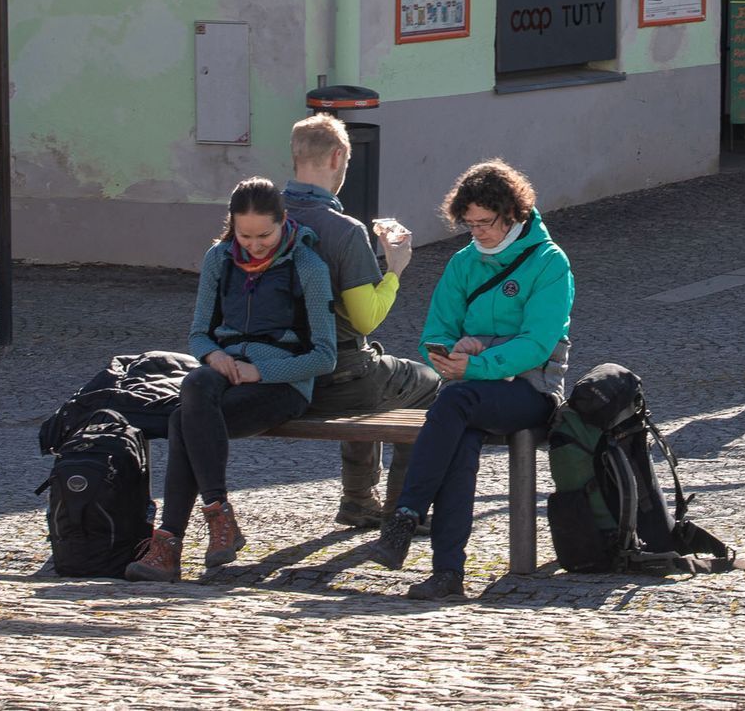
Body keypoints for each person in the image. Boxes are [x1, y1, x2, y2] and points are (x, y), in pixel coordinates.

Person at [371, 160, 573, 600]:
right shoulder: (464, 262)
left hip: (531, 391)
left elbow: (538, 344)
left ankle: (405, 516)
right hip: (469, 390)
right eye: (470, 224)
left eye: (486, 223)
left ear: (513, 214)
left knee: (453, 406)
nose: (478, 232)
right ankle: (447, 573)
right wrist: (445, 355)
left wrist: (478, 359)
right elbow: (436, 331)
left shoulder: (549, 262)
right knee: (457, 439)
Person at [126, 177, 337, 584]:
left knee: (179, 423)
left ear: (283, 221)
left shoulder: (308, 267)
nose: (255, 245)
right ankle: (219, 514)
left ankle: (169, 545)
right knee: (195, 385)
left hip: (282, 385)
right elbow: (199, 333)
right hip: (224, 375)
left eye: (265, 235)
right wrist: (216, 355)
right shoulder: (219, 259)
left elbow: (324, 356)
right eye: (246, 235)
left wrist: (262, 371)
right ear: (232, 226)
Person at [282, 114, 441, 529]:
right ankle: (400, 508)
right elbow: (365, 317)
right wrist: (395, 267)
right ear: (338, 158)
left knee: (370, 367)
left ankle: (358, 497)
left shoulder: (261, 219)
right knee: (426, 385)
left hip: (273, 374)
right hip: (334, 380)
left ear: (296, 155)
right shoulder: (344, 230)